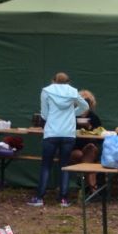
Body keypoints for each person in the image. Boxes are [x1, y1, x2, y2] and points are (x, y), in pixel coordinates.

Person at [31, 70, 87, 208]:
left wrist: (52, 116)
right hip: (68, 133)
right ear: (68, 81)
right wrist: (72, 113)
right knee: (65, 166)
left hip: (51, 132)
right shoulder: (73, 91)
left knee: (46, 165)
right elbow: (85, 106)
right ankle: (64, 199)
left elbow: (44, 114)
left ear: (54, 80)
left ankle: (39, 198)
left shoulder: (46, 91)